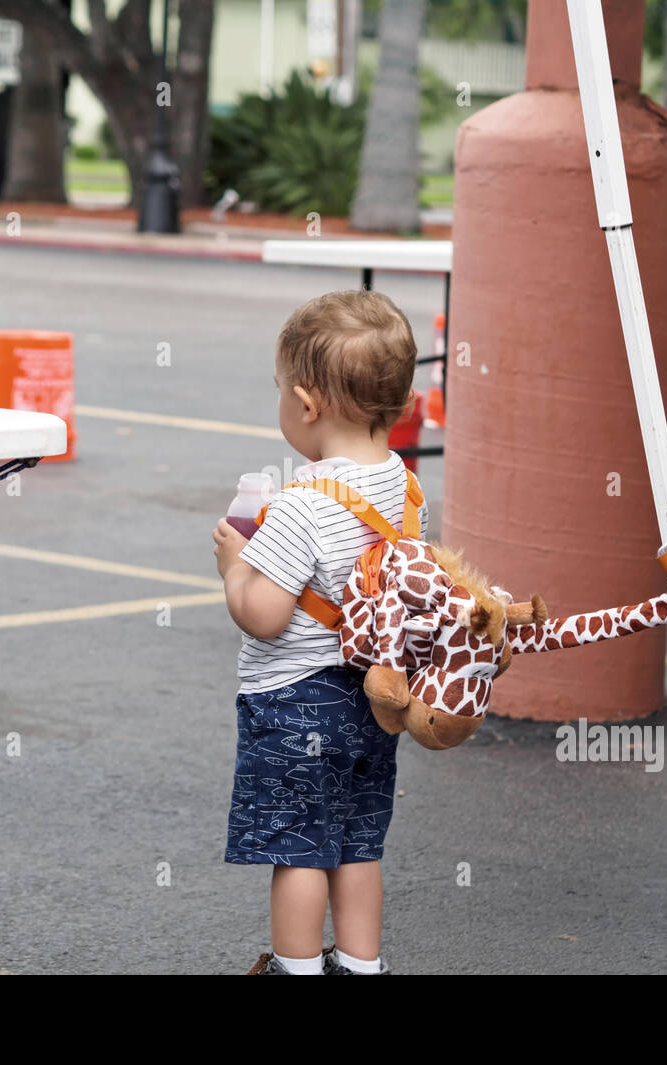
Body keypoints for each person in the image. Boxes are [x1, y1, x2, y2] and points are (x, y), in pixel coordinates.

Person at [212, 290, 426, 975]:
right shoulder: (403, 485)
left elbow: (264, 615)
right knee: (359, 842)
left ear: (305, 404)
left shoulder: (303, 503)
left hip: (295, 699)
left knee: (299, 849)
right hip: (371, 698)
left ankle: (295, 967)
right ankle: (362, 965)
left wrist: (234, 566)